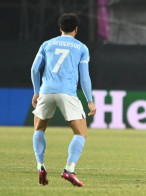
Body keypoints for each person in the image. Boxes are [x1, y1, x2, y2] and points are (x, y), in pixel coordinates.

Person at [31, 13, 96, 187]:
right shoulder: (82, 48)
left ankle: (41, 166)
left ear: (60, 28)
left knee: (39, 129)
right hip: (67, 93)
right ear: (76, 29)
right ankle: (69, 169)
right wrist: (90, 100)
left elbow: (34, 69)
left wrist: (37, 92)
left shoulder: (47, 44)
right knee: (80, 133)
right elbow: (85, 78)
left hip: (46, 92)